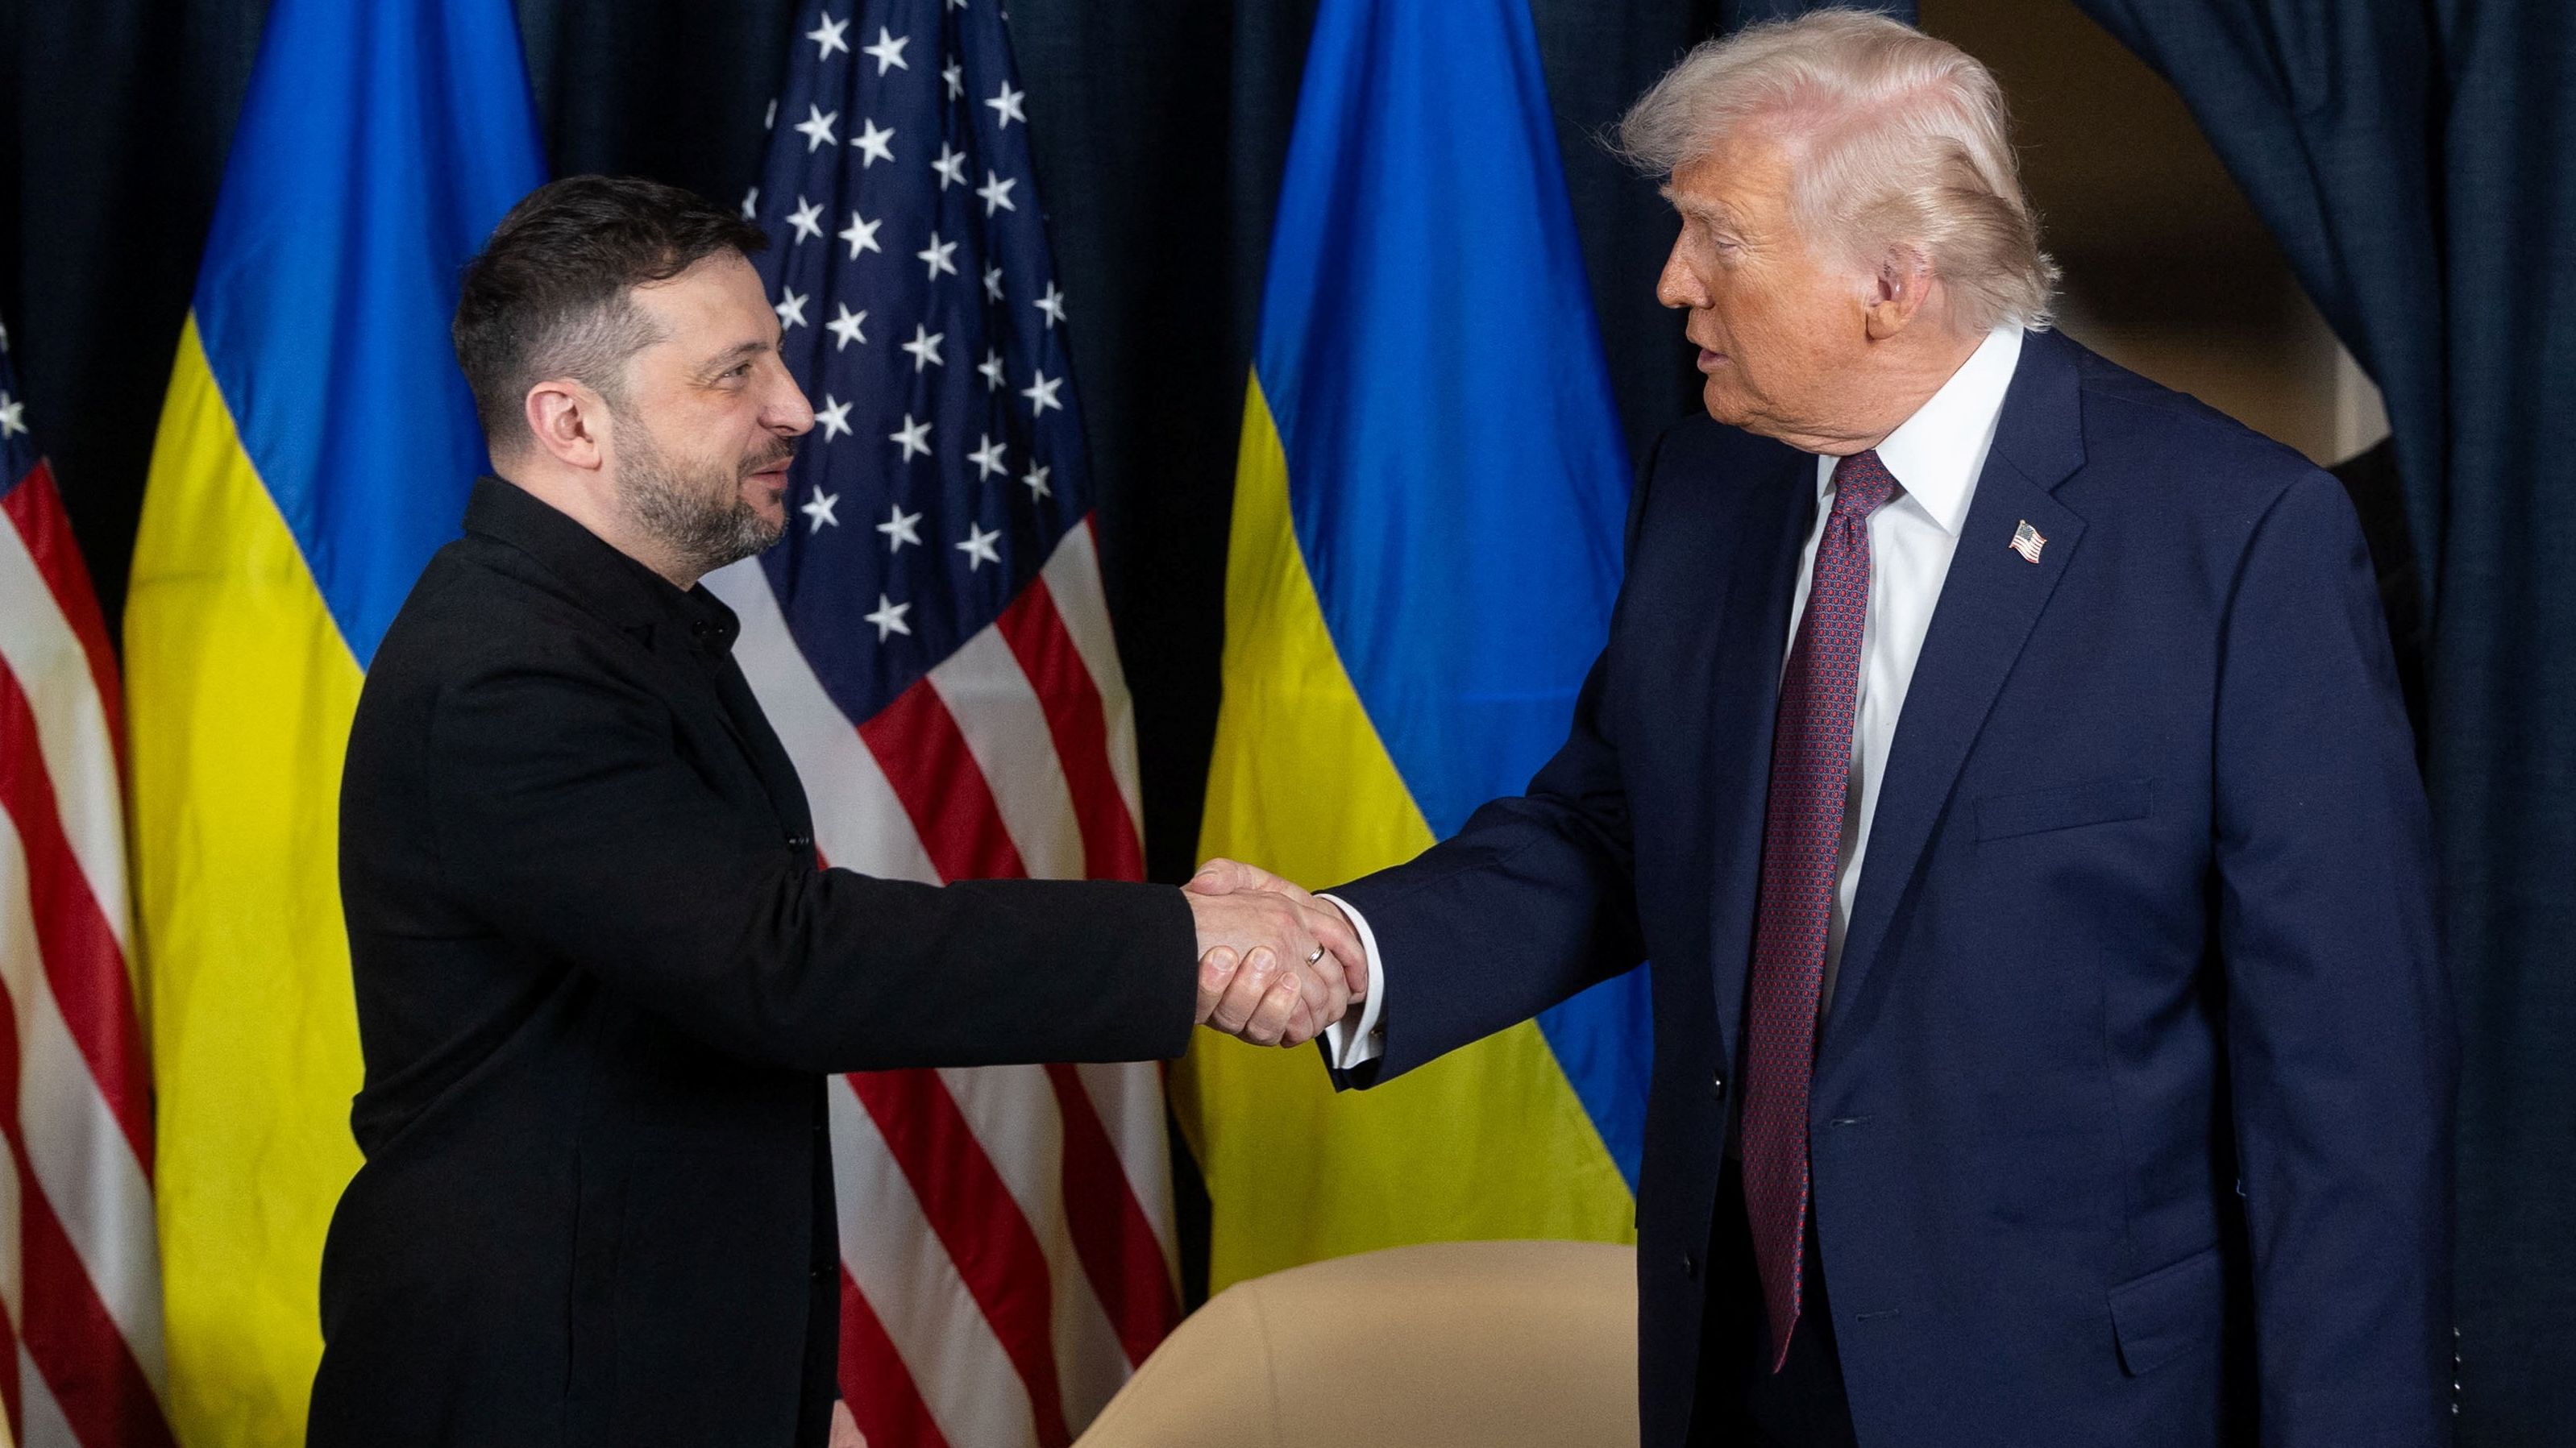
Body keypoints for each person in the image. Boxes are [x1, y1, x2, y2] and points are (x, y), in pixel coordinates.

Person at [1194, 11, 2452, 1447]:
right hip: (1740, 1364)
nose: (1674, 281)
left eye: (1718, 236)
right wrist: (1354, 949)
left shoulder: (2234, 541)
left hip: (2066, 1393)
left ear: (1892, 283)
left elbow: (2347, 1091)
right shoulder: (1707, 489)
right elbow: (1613, 833)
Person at [306, 175, 1365, 1448]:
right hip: (527, 1402)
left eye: (778, 359)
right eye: (734, 374)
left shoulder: (627, 631)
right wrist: (1180, 940)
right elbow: (785, 962)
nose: (796, 406)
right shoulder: (506, 674)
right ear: (570, 420)